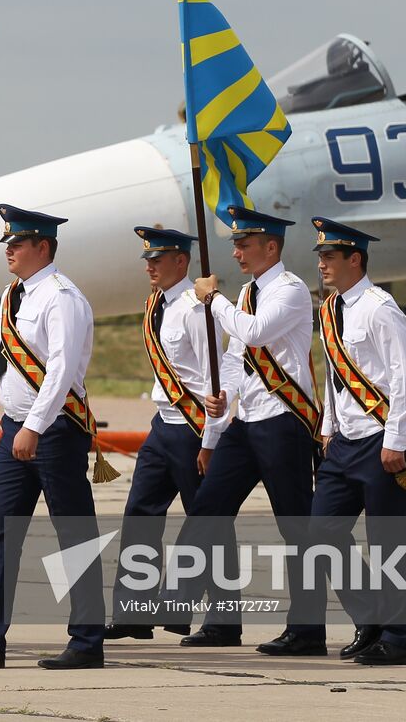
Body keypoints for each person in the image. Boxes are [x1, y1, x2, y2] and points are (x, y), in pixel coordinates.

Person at [0, 204, 105, 670]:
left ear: (43, 247)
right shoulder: (14, 295)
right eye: (7, 242)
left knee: (73, 532)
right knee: (0, 534)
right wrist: (18, 426)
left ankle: (88, 641)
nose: (9, 249)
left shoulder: (62, 297)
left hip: (52, 429)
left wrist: (33, 426)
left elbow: (61, 370)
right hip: (17, 428)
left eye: (18, 243)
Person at [174, 206, 322, 656]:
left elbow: (255, 333)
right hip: (248, 422)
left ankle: (308, 631)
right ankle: (212, 617)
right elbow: (238, 361)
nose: (235, 251)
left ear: (270, 247)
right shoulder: (244, 295)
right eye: (235, 244)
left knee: (296, 529)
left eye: (244, 244)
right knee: (208, 508)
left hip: (285, 422)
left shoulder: (290, 290)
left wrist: (211, 300)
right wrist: (217, 417)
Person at [103, 226, 233, 647]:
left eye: (158, 260)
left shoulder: (197, 311)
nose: (150, 267)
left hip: (195, 429)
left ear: (182, 261)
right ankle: (133, 611)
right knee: (140, 513)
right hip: (163, 425)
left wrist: (212, 440)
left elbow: (217, 378)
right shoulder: (155, 305)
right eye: (147, 260)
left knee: (209, 523)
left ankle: (223, 621)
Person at [305, 218, 406, 667]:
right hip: (344, 442)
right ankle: (370, 618)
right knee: (321, 534)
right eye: (320, 258)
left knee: (388, 542)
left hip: (380, 439)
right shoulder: (331, 310)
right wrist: (329, 428)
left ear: (355, 259)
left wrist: (395, 439)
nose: (323, 265)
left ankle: (398, 636)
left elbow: (403, 377)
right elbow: (334, 375)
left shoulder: (380, 307)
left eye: (330, 257)